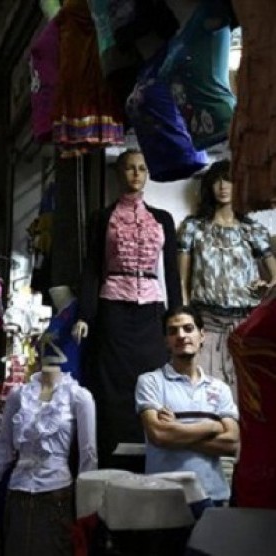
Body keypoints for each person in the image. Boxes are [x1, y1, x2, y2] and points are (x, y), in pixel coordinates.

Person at [73, 149, 182, 471]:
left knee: (152, 378)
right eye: (130, 168)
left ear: (148, 174)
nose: (136, 174)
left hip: (151, 310)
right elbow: (93, 267)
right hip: (113, 309)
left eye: (142, 169)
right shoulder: (102, 217)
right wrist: (85, 315)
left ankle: (153, 454)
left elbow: (172, 271)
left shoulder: (162, 219)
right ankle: (110, 461)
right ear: (119, 173)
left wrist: (178, 315)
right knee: (111, 384)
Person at [178, 160, 276, 400]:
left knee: (246, 394)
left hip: (244, 321)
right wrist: (187, 317)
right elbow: (182, 280)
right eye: (218, 180)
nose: (223, 186)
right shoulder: (194, 228)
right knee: (204, 393)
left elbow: (275, 275)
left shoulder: (252, 230)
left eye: (230, 180)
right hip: (207, 322)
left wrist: (267, 285)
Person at [0, 366, 97, 556]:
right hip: (18, 495)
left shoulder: (79, 397)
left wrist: (86, 504)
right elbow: (4, 446)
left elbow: (88, 453)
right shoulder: (18, 396)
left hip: (56, 495)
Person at [135, 306, 239, 510]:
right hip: (164, 496)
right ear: (166, 341)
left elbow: (231, 443)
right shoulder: (150, 382)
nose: (181, 335)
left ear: (202, 335)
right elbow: (158, 435)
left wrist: (176, 430)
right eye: (173, 331)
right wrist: (212, 427)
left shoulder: (220, 389)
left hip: (213, 495)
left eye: (188, 328)